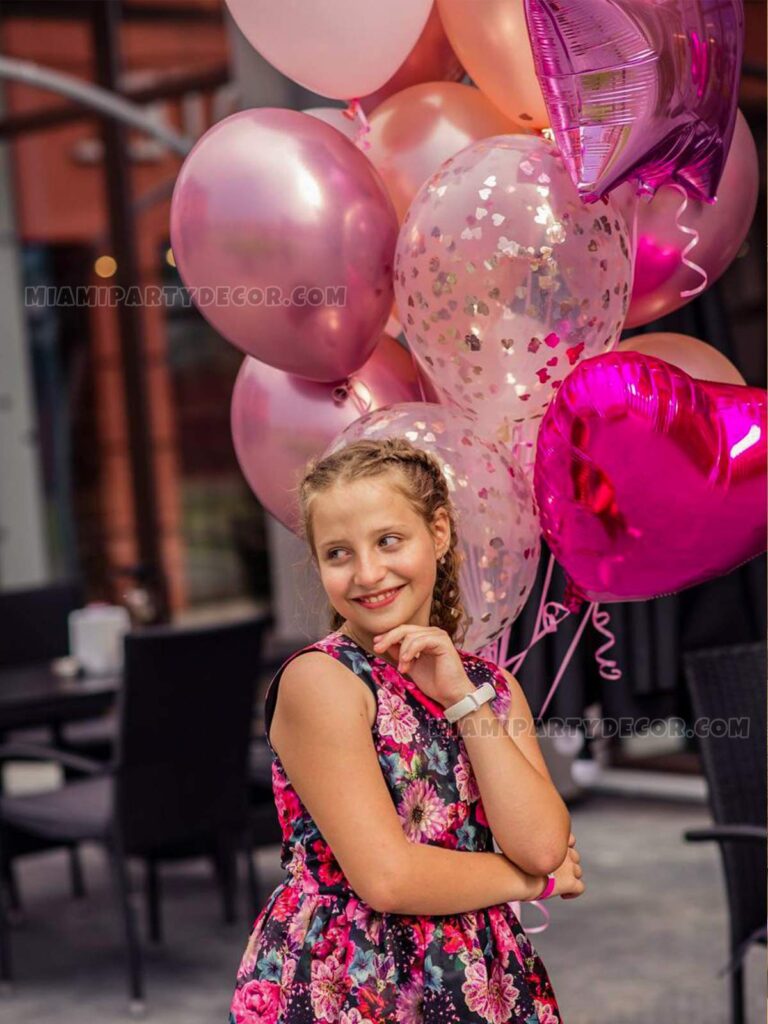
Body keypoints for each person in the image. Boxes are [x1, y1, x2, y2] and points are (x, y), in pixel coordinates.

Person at [228, 437, 585, 1024]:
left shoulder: (489, 686)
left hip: (479, 974)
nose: (368, 573)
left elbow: (543, 844)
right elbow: (388, 879)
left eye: (389, 541)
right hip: (353, 979)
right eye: (338, 553)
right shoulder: (323, 681)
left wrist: (464, 703)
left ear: (439, 534)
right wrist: (528, 883)